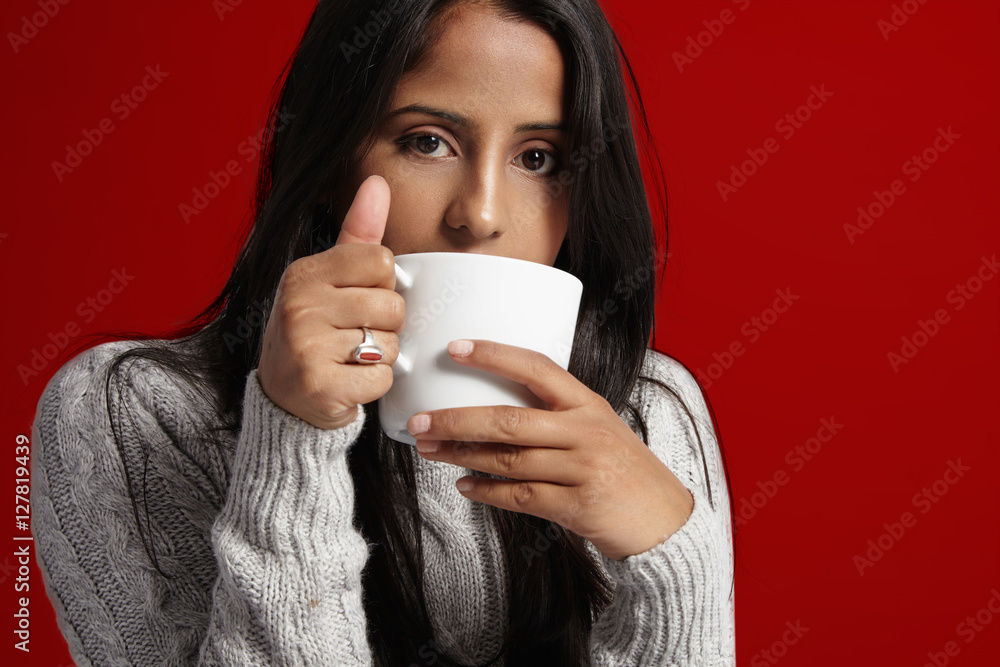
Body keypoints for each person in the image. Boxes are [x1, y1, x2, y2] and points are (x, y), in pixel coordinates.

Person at [31, 0, 736, 664]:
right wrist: (293, 437)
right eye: (427, 141)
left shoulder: (648, 413)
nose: (481, 213)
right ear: (334, 160)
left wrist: (676, 562)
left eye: (538, 157)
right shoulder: (133, 413)